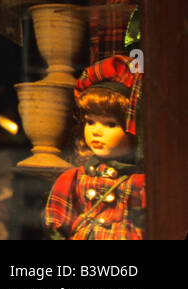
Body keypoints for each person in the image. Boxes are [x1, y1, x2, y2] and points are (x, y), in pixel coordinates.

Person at [44, 55, 144, 240]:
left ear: (133, 129)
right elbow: (58, 225)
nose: (96, 131)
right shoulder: (74, 178)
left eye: (110, 125)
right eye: (90, 122)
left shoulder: (139, 183)